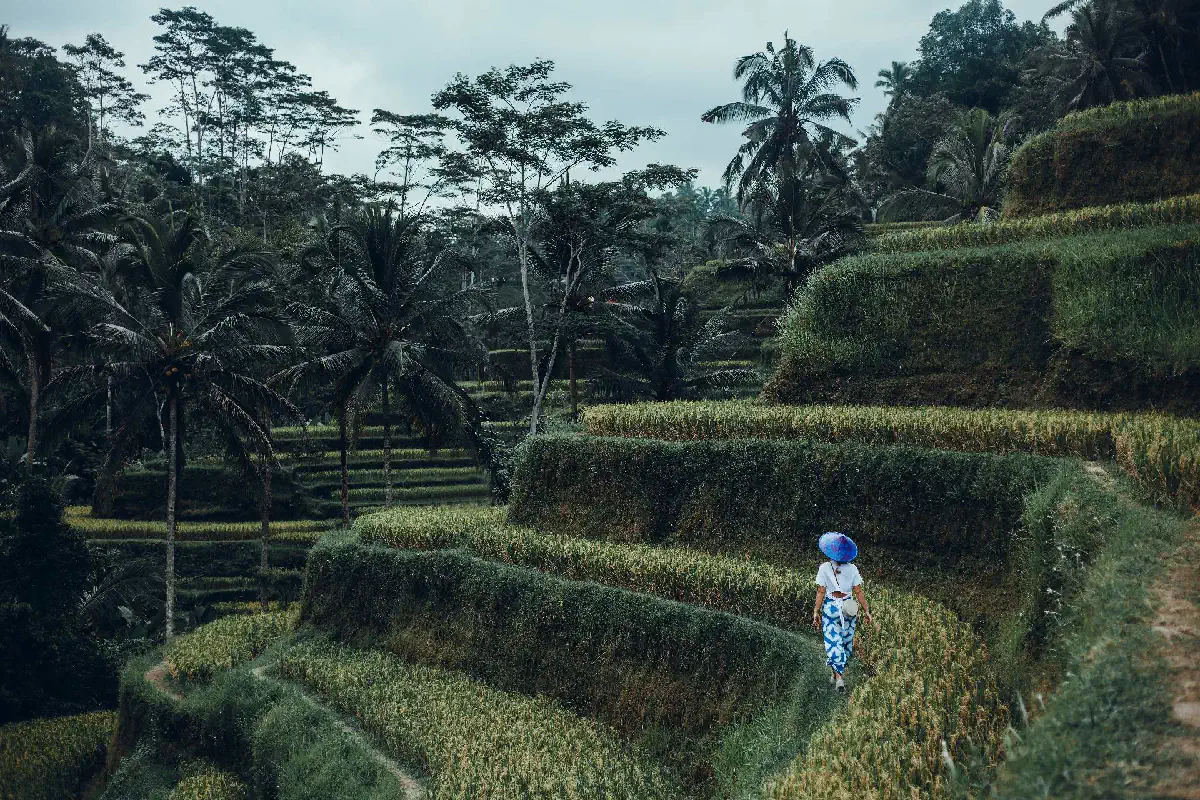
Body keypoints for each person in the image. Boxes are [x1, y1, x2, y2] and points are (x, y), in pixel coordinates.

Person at [811, 531, 873, 693]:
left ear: (831, 550)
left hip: (831, 609)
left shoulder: (824, 568)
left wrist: (816, 611)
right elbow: (858, 592)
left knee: (834, 643)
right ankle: (839, 677)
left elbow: (821, 592)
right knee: (845, 643)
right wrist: (867, 611)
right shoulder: (852, 569)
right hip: (849, 608)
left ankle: (837, 677)